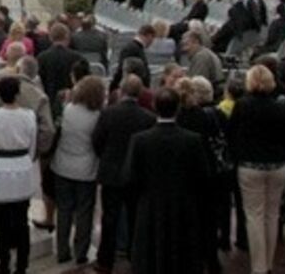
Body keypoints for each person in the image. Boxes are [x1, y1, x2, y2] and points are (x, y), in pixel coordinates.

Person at [125, 86, 207, 274]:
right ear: (178, 108)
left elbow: (130, 176)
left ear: (154, 107)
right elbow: (202, 175)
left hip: (150, 206)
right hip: (184, 206)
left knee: (150, 257)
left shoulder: (140, 140)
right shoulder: (192, 140)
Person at [229, 65, 285, 274]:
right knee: (272, 215)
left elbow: (232, 135)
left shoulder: (242, 105)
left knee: (254, 216)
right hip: (277, 166)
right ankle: (268, 262)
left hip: (250, 166)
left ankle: (258, 266)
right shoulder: (281, 107)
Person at [92, 75, 156, 273]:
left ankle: (104, 261)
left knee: (109, 218)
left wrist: (105, 158)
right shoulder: (148, 117)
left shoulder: (108, 113)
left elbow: (97, 140)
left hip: (111, 172)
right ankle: (136, 258)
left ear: (121, 91)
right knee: (136, 218)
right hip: (136, 175)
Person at [0, 76, 37, 274]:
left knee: (1, 222)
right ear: (18, 93)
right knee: (22, 220)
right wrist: (23, 161)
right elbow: (32, 146)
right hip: (21, 165)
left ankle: (3, 263)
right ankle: (22, 264)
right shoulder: (29, 115)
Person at [52, 75, 103, 266]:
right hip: (87, 168)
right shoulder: (98, 116)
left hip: (63, 165)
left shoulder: (68, 109)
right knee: (84, 211)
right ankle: (81, 251)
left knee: (64, 210)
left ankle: (62, 250)